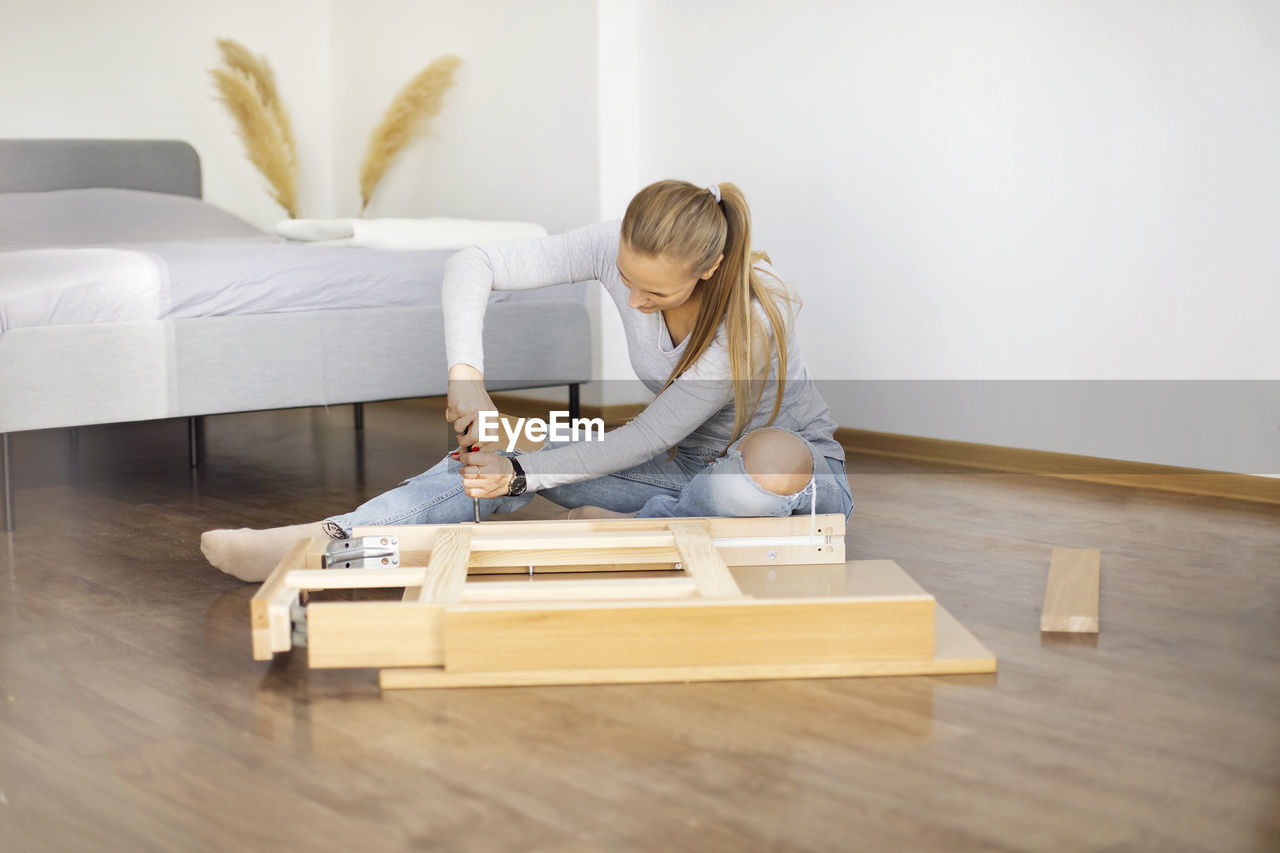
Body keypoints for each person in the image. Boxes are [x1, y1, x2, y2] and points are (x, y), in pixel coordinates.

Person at [201, 180, 853, 581]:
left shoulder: (750, 321)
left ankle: (645, 529)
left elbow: (642, 434)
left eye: (654, 291)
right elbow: (474, 262)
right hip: (673, 470)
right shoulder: (615, 247)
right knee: (488, 455)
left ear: (709, 267)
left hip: (782, 480)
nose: (633, 298)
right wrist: (467, 377)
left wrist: (522, 472)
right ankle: (335, 541)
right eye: (626, 278)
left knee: (766, 460)